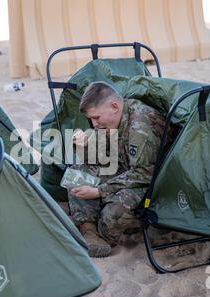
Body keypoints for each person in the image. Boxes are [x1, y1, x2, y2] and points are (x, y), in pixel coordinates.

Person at [68, 81, 166, 258]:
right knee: (76, 173)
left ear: (114, 106)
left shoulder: (140, 127)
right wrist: (82, 145)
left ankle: (101, 234)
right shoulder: (114, 119)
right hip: (127, 170)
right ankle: (88, 229)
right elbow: (104, 155)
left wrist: (99, 191)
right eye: (91, 119)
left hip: (151, 181)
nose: (94, 124)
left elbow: (144, 174)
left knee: (115, 213)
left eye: (96, 118)